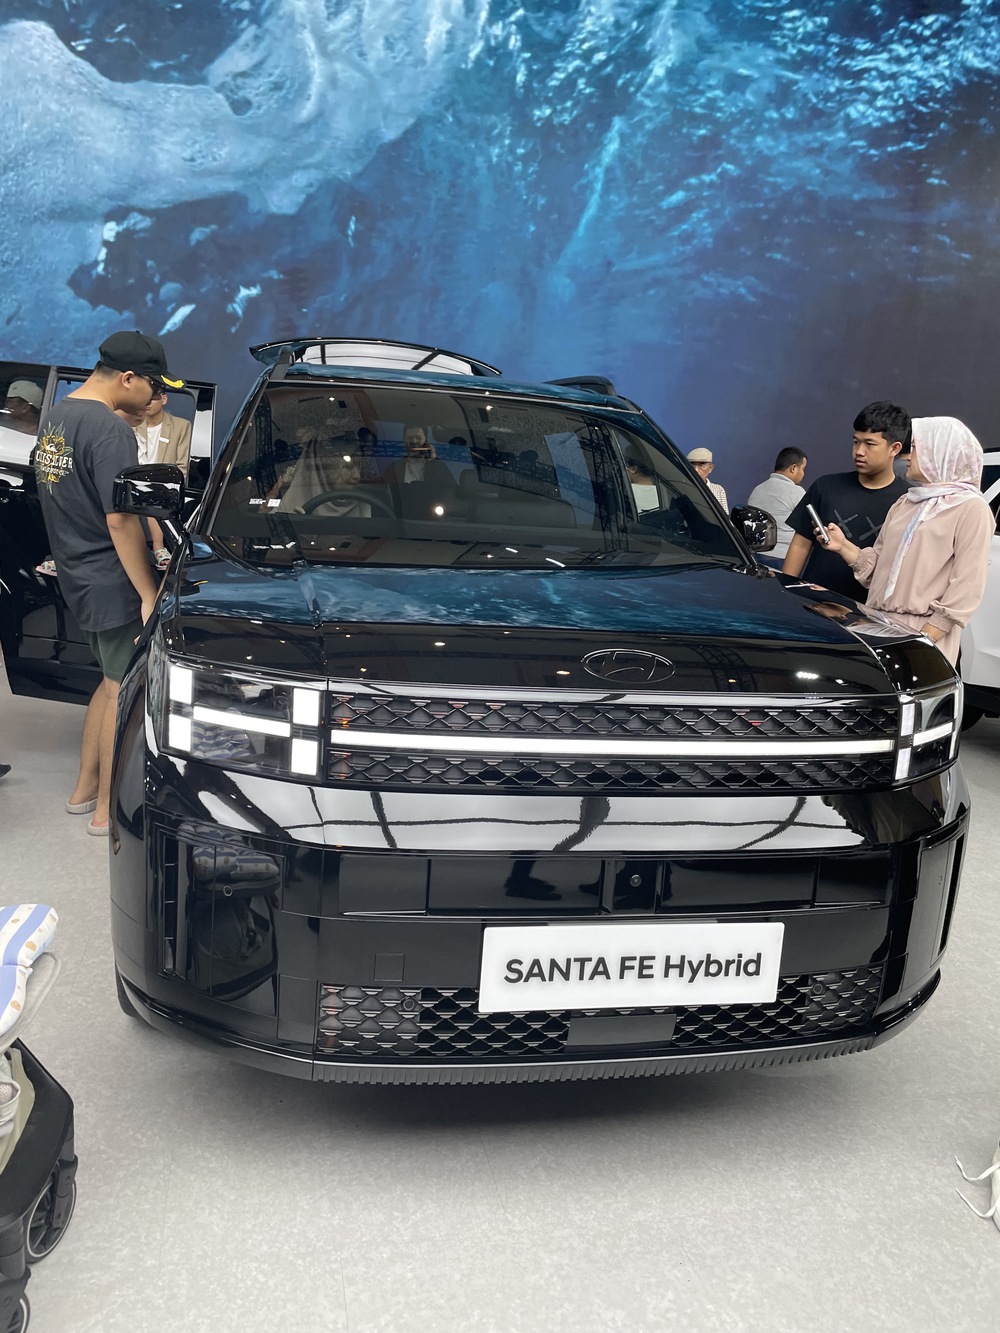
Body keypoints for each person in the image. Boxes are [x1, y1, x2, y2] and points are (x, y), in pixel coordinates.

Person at [33, 329, 184, 836]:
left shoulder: (56, 416)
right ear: (128, 378)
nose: (155, 397)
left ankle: (83, 790)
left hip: (77, 575)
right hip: (111, 579)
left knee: (107, 682)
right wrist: (148, 593)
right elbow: (121, 520)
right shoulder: (109, 431)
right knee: (123, 692)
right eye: (153, 386)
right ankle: (106, 811)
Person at [817, 417, 992, 665]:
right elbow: (878, 570)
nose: (908, 456)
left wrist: (925, 638)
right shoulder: (905, 502)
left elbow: (968, 584)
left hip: (924, 633)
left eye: (917, 448)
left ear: (940, 452)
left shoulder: (971, 508)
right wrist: (843, 546)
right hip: (876, 624)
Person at [782, 401, 910, 600]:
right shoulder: (826, 487)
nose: (859, 451)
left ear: (894, 448)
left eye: (869, 444)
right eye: (856, 442)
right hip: (811, 604)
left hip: (867, 611)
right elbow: (801, 544)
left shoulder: (907, 501)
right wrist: (785, 591)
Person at [747, 447, 807, 558]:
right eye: (803, 469)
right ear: (793, 468)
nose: (803, 474)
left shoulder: (757, 489)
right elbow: (809, 526)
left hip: (754, 556)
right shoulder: (796, 492)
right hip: (783, 558)